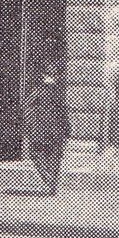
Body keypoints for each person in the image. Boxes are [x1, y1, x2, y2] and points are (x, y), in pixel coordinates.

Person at [22, 59, 71, 195]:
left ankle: (49, 180)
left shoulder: (37, 91)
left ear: (43, 75)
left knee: (37, 154)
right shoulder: (58, 92)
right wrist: (67, 130)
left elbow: (26, 108)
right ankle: (52, 183)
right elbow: (64, 112)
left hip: (40, 130)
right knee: (54, 157)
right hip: (56, 131)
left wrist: (29, 127)